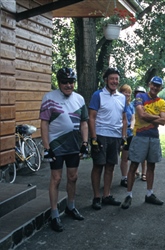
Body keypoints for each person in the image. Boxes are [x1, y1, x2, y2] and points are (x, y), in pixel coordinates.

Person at [40, 67, 89, 232]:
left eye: (71, 82)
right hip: (56, 144)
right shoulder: (49, 98)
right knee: (56, 178)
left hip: (74, 145)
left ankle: (70, 206)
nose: (68, 85)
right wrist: (46, 148)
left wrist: (85, 142)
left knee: (73, 177)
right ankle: (54, 214)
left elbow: (84, 122)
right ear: (59, 82)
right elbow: (44, 124)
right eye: (65, 82)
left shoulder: (80, 99)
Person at [121, 76, 165, 209]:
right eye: (153, 85)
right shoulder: (140, 96)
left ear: (160, 88)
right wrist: (157, 116)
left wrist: (150, 116)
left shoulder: (161, 102)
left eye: (158, 86)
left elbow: (163, 121)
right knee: (134, 165)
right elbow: (141, 115)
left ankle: (149, 194)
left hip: (154, 137)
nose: (155, 88)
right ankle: (128, 195)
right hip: (139, 136)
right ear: (149, 84)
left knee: (151, 166)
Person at [89, 67, 127, 210]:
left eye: (116, 79)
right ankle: (96, 197)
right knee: (98, 166)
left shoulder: (122, 97)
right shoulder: (97, 95)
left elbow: (124, 119)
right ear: (106, 80)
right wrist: (93, 138)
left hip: (116, 137)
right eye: (111, 79)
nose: (114, 81)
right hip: (100, 135)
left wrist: (124, 137)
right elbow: (91, 118)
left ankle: (106, 195)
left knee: (110, 166)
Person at [119, 84, 135, 188]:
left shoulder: (131, 106)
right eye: (125, 92)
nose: (127, 94)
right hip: (118, 133)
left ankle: (124, 178)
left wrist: (132, 126)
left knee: (125, 157)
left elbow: (133, 118)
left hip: (129, 134)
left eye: (129, 92)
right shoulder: (117, 104)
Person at [133, 86, 147, 181]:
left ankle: (144, 172)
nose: (139, 94)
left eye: (141, 93)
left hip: (144, 131)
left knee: (144, 154)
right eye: (137, 92)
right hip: (134, 131)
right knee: (135, 153)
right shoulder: (131, 104)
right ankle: (136, 170)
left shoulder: (146, 104)